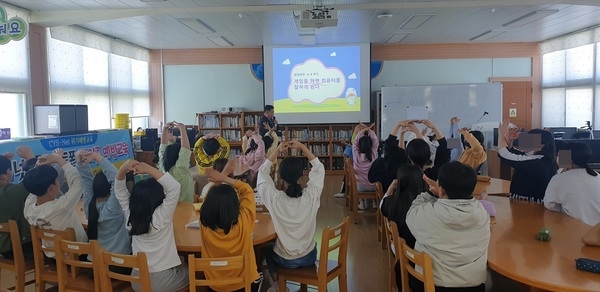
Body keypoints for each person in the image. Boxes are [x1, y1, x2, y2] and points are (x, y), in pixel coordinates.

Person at [406, 161, 490, 291]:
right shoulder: (482, 214)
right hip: (474, 286)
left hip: (434, 285)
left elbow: (411, 214)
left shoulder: (428, 214)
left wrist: (430, 193)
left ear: (441, 189)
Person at [257, 140, 325, 292]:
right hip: (308, 257)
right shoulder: (311, 196)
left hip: (284, 260)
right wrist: (302, 147)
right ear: (302, 175)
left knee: (266, 249)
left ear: (280, 177)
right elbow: (319, 168)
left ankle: (277, 285)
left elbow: (262, 174)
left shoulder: (275, 199)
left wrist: (277, 151)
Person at [115, 160, 188, 292]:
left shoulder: (130, 216)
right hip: (162, 281)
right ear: (158, 198)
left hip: (137, 281)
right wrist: (148, 169)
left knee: (181, 262)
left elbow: (119, 190)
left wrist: (123, 168)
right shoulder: (162, 215)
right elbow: (174, 187)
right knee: (192, 270)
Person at [200, 168, 263, 292]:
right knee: (260, 271)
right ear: (235, 204)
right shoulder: (244, 221)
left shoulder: (205, 225)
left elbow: (208, 202)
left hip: (214, 285)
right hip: (244, 284)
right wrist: (223, 178)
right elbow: (247, 190)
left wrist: (217, 182)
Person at [23, 150, 87, 257]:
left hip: (53, 256)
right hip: (77, 256)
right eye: (57, 180)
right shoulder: (61, 207)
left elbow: (34, 185)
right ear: (52, 188)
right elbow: (77, 182)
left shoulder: (28, 209)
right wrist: (58, 160)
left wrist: (38, 167)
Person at [76, 150, 131, 270]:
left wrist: (80, 164)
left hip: (95, 264)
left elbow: (86, 181)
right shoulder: (113, 207)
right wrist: (97, 157)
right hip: (118, 264)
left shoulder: (89, 206)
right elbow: (117, 180)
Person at [380, 163, 425, 291]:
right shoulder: (426, 205)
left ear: (399, 182)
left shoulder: (391, 202)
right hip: (421, 253)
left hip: (400, 250)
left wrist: (390, 188)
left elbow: (382, 207)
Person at [498, 120, 557, 203]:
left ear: (541, 146)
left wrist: (501, 135)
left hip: (529, 207)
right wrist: (509, 141)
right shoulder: (538, 158)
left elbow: (504, 155)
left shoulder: (537, 163)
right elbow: (515, 153)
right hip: (523, 204)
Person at [544, 142, 600, 225]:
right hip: (596, 231)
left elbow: (550, 205)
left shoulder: (559, 179)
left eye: (560, 155)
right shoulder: (597, 176)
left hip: (575, 229)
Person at [0, 152, 33, 260]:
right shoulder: (13, 192)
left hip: (3, 246)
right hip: (19, 248)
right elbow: (35, 183)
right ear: (8, 172)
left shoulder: (10, 192)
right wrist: (30, 158)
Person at [369, 120, 411, 194]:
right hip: (400, 198)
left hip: (386, 196)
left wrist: (399, 126)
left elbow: (371, 179)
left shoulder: (378, 162)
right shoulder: (403, 167)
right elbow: (402, 153)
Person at [158, 121, 194, 202]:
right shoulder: (179, 169)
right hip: (183, 206)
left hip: (168, 205)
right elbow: (185, 149)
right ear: (178, 156)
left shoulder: (162, 165)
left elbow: (163, 146)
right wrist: (182, 129)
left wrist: (165, 128)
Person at [352, 124, 379, 210]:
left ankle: (362, 203)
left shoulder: (356, 155)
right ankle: (375, 202)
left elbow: (355, 143)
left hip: (360, 187)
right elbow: (375, 141)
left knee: (361, 181)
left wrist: (361, 132)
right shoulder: (373, 154)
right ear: (371, 145)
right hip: (373, 186)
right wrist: (369, 130)